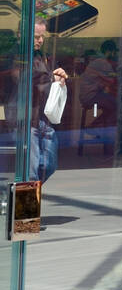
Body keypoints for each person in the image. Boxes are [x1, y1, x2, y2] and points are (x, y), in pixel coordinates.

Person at [30, 20, 68, 184]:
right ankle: (27, 198)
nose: (40, 40)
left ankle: (30, 193)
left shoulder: (43, 55)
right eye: (37, 37)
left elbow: (46, 80)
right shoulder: (19, 56)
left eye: (42, 37)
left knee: (49, 165)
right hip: (29, 119)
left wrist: (58, 78)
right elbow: (25, 79)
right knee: (31, 172)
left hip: (44, 117)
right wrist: (51, 77)